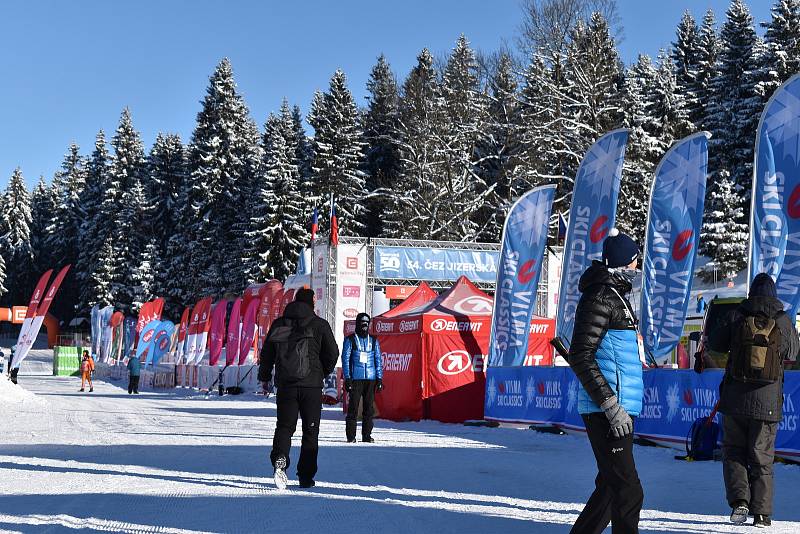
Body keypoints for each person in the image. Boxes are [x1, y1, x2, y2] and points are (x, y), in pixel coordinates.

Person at [566, 228, 644, 534]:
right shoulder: (601, 296)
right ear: (624, 264)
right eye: (636, 261)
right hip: (608, 410)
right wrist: (610, 404)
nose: (638, 269)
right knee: (628, 491)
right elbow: (580, 355)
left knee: (611, 489)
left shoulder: (615, 296)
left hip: (618, 406)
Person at [707, 273, 799, 528]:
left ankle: (740, 502)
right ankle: (762, 514)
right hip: (768, 402)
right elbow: (793, 351)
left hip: (735, 398)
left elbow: (715, 343)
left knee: (734, 451)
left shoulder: (737, 315)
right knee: (762, 455)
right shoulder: (782, 320)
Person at [259, 288, 338, 490]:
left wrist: (265, 376)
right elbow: (333, 353)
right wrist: (321, 371)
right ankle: (305, 476)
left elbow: (267, 353)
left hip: (286, 386)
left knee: (285, 427)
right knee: (310, 432)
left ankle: (280, 459)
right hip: (311, 386)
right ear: (311, 303)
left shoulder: (279, 324)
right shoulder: (319, 324)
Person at [342, 313, 383, 443]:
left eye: (367, 322)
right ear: (358, 323)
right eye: (362, 322)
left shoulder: (374, 340)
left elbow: (378, 359)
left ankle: (366, 435)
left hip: (370, 379)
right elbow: (345, 359)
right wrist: (347, 378)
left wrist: (379, 378)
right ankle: (351, 436)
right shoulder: (350, 340)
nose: (364, 325)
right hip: (355, 379)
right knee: (353, 408)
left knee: (368, 409)